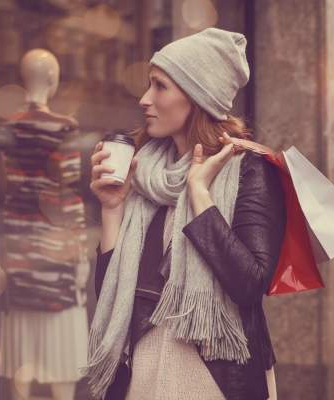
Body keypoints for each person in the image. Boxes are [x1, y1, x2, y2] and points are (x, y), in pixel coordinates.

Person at [83, 28, 285, 400]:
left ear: (196, 97)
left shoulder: (251, 169)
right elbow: (114, 294)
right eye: (148, 85)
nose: (145, 99)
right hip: (144, 374)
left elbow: (250, 284)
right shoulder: (146, 170)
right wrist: (112, 209)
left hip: (214, 378)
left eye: (159, 86)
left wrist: (200, 194)